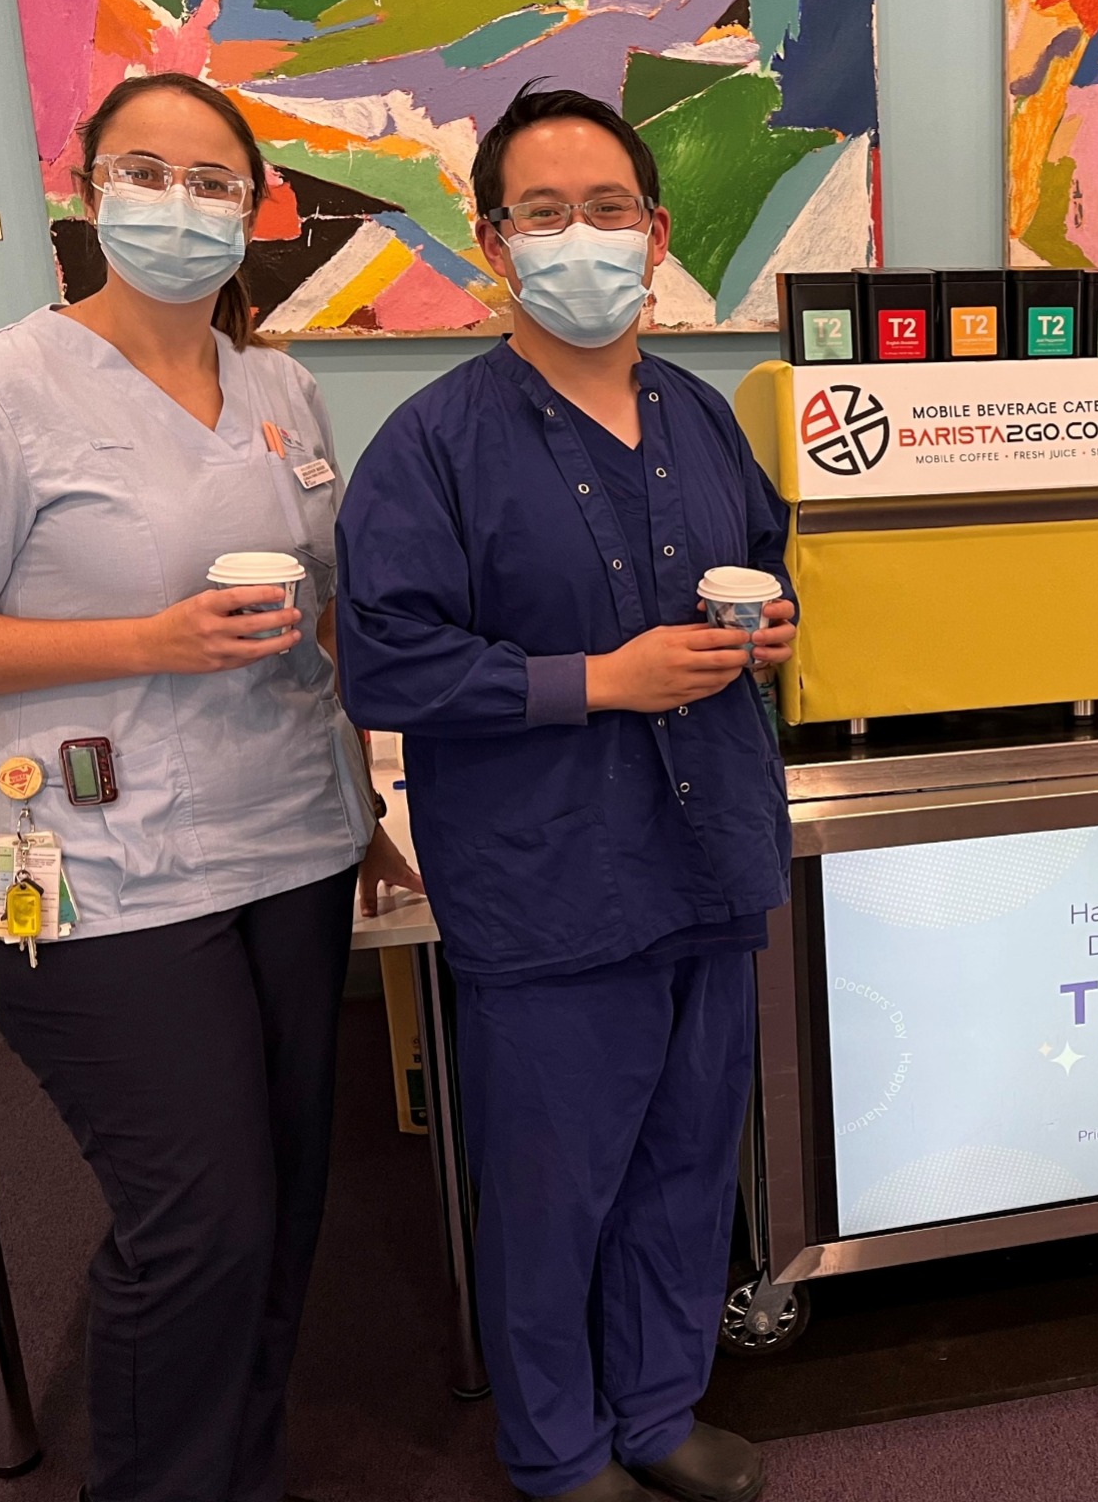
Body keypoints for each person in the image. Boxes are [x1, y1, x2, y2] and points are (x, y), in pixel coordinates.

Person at [0, 71, 419, 1499]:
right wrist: (141, 641)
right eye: (147, 173)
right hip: (95, 878)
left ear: (256, 207)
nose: (183, 205)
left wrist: (369, 810)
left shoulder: (277, 386)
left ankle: (235, 1471)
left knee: (277, 1215)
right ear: (90, 192)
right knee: (199, 1220)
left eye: (215, 179)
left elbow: (322, 626)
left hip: (288, 851)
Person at [332, 83, 793, 1502]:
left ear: (655, 235)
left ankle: (656, 1411)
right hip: (553, 884)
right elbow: (385, 663)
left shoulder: (705, 420)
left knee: (681, 1167)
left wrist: (770, 633)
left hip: (707, 860)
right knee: (554, 1190)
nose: (578, 238)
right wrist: (595, 681)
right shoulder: (434, 447)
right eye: (544, 213)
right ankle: (556, 1448)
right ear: (492, 242)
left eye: (607, 210)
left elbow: (768, 567)